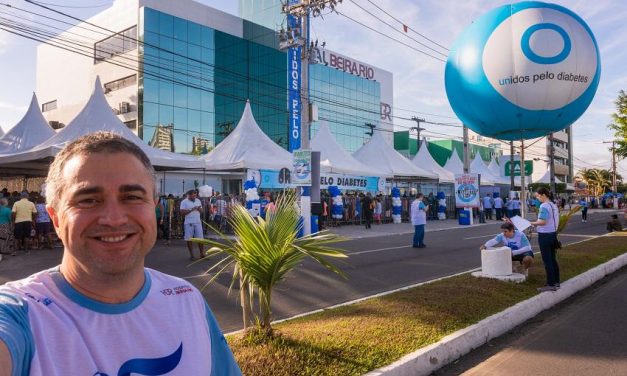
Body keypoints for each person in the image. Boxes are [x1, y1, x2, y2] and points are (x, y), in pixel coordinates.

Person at [0, 132, 241, 375]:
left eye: (132, 197)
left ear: (153, 209)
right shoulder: (22, 313)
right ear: (56, 219)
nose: (114, 219)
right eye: (88, 200)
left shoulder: (188, 300)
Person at [529, 187, 561, 293]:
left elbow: (543, 222)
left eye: (538, 196)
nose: (537, 198)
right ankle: (556, 282)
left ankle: (550, 284)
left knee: (547, 261)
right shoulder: (553, 205)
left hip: (545, 236)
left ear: (543, 195)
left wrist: (530, 223)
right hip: (553, 234)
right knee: (552, 259)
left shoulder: (544, 206)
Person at [180, 189, 205, 260]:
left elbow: (202, 211)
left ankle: (202, 254)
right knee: (189, 239)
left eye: (195, 195)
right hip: (189, 223)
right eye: (193, 195)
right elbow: (181, 213)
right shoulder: (184, 202)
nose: (195, 196)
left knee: (200, 238)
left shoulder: (198, 201)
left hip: (198, 222)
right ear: (189, 195)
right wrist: (191, 209)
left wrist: (199, 209)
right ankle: (192, 255)